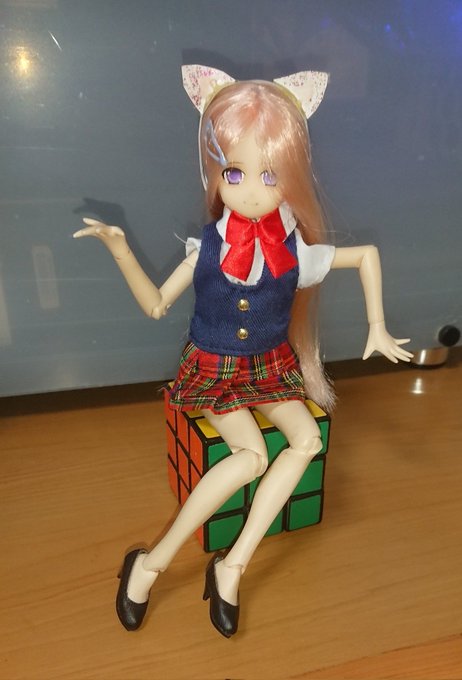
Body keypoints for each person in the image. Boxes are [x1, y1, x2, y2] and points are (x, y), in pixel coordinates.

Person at [74, 66, 412, 638]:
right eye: (235, 172)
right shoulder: (206, 247)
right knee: (250, 457)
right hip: (213, 366)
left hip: (270, 366)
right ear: (217, 173)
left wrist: (377, 326)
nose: (252, 189)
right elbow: (156, 305)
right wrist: (121, 249)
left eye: (269, 174)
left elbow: (366, 256)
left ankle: (231, 567)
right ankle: (150, 565)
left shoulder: (294, 250)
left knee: (307, 440)